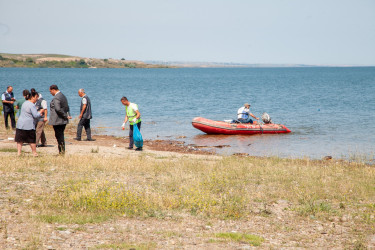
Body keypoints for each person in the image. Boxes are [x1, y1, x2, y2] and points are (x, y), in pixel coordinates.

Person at [15, 90, 44, 156]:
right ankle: (34, 153)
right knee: (31, 139)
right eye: (36, 97)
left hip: (20, 124)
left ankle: (19, 153)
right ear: (33, 97)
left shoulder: (25, 103)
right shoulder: (32, 105)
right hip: (29, 125)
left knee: (20, 139)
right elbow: (36, 115)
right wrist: (40, 112)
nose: (37, 99)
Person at [49, 84, 71, 154]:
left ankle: (61, 152)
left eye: (50, 91)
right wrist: (67, 115)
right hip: (62, 120)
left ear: (53, 90)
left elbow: (58, 109)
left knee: (59, 136)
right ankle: (62, 151)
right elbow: (67, 107)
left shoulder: (57, 97)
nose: (50, 93)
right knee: (60, 135)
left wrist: (65, 116)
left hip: (58, 120)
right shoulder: (63, 96)